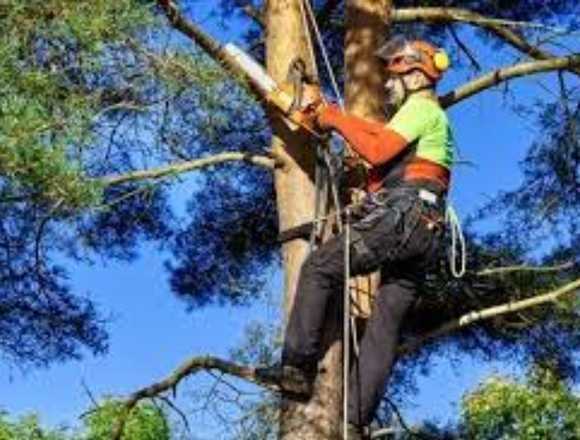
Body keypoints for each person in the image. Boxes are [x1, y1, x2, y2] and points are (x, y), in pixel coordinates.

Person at [265, 37, 454, 439]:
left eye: (395, 76)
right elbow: (392, 162)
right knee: (385, 325)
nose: (387, 85)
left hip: (404, 219)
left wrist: (331, 116)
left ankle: (296, 369)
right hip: (425, 231)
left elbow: (378, 146)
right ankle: (355, 419)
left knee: (320, 267)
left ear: (417, 76)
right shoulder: (430, 122)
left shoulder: (421, 108)